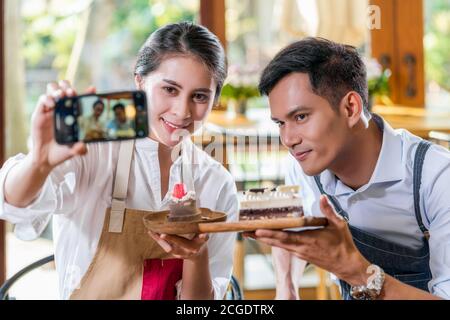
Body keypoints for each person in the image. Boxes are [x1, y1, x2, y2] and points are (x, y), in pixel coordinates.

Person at [0, 22, 238, 300]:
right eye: (170, 90)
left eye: (199, 96)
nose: (182, 111)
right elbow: (12, 203)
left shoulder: (216, 183)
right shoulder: (90, 153)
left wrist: (196, 257)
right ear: (139, 81)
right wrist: (40, 163)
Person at [248, 37, 450, 300]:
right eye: (280, 123)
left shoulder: (435, 177)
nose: (288, 140)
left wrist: (355, 272)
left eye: (300, 117)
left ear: (350, 107)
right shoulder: (306, 165)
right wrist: (287, 289)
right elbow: (293, 232)